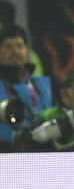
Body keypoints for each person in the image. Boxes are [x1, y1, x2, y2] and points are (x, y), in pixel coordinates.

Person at [0, 23, 53, 151]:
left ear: (26, 50)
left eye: (20, 46)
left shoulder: (42, 85)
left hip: (39, 154)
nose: (15, 52)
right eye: (8, 46)